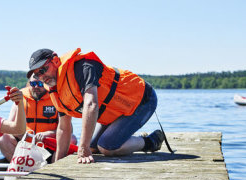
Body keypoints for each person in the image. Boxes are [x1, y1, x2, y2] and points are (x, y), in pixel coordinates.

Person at [26, 48, 163, 164]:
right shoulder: (55, 89)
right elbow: (63, 127)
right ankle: (128, 137)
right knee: (94, 148)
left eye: (43, 70)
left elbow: (91, 104)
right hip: (114, 113)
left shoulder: (83, 67)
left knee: (107, 147)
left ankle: (151, 141)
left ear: (56, 60)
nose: (42, 76)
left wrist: (83, 147)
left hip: (141, 99)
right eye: (37, 75)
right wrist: (58, 162)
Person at [0, 77, 77, 163]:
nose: (36, 87)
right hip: (24, 144)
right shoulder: (20, 98)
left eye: (40, 84)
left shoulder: (56, 97)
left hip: (48, 145)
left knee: (72, 139)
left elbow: (68, 129)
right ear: (29, 83)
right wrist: (24, 135)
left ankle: (54, 167)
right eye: (33, 84)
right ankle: (20, 166)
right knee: (2, 138)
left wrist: (47, 134)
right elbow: (10, 127)